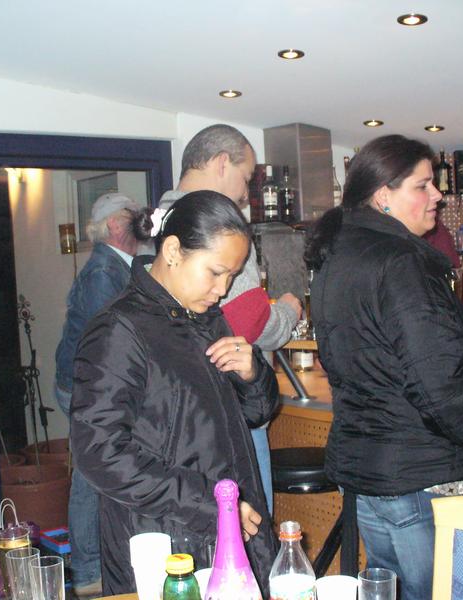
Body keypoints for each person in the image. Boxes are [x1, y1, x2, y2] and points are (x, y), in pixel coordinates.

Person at [304, 134, 463, 600]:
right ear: (384, 195)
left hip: (371, 472)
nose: (438, 195)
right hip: (421, 475)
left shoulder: (336, 259)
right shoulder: (403, 262)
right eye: (422, 185)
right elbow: (441, 384)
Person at [70, 191, 279, 597]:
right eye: (215, 272)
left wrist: (253, 374)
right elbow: (99, 453)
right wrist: (212, 508)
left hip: (228, 526)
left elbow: (254, 415)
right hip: (165, 542)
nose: (222, 289)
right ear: (172, 252)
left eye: (232, 276)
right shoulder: (119, 329)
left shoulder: (206, 319)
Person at [159, 124, 302, 513]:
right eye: (246, 177)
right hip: (230, 409)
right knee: (248, 530)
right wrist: (289, 310)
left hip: (177, 418)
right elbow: (249, 322)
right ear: (222, 163)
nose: (245, 192)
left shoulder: (156, 219)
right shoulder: (221, 226)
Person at [54, 192, 152, 598]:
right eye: (132, 214)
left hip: (87, 383)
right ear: (115, 224)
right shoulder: (103, 272)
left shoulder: (119, 266)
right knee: (90, 475)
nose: (140, 220)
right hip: (84, 387)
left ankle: (96, 567)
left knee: (95, 470)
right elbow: (110, 339)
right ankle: (88, 571)